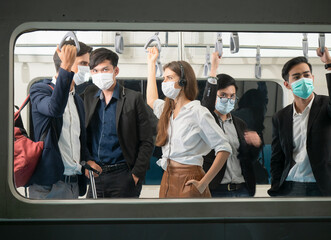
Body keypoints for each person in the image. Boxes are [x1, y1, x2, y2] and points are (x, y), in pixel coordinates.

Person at [146, 47, 232, 198]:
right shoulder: (168, 111)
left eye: (170, 78)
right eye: (164, 78)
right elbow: (151, 100)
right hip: (167, 176)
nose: (165, 82)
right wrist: (151, 64)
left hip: (189, 177)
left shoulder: (197, 112)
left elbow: (224, 149)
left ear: (184, 81)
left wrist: (204, 183)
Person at [28, 40, 102, 199]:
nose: (86, 69)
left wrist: (87, 159)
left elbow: (78, 139)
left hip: (73, 184)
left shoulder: (78, 101)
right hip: (49, 185)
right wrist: (66, 69)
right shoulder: (40, 90)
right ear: (66, 63)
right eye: (82, 63)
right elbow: (54, 109)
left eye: (87, 64)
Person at [81, 48, 155, 198]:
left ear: (116, 71)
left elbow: (147, 140)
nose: (100, 74)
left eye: (105, 69)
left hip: (123, 175)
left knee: (122, 220)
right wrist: (86, 160)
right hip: (96, 174)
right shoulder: (88, 95)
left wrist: (136, 174)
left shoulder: (133, 99)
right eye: (95, 71)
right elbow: (81, 134)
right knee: (91, 219)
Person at [268, 47, 331, 197]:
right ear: (287, 85)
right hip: (291, 186)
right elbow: (277, 158)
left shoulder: (326, 106)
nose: (303, 80)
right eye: (296, 77)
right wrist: (276, 188)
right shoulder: (280, 117)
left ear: (313, 78)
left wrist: (329, 64)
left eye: (306, 75)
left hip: (323, 186)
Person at [202, 51, 262, 197]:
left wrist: (255, 145)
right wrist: (213, 70)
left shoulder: (240, 124)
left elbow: (246, 158)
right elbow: (206, 104)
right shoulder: (206, 119)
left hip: (242, 189)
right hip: (216, 189)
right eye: (223, 95)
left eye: (232, 96)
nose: (228, 99)